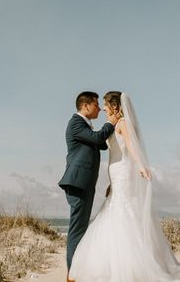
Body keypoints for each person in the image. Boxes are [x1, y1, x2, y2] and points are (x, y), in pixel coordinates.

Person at [68, 91, 180, 282]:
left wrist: (141, 166)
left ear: (115, 107)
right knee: (114, 212)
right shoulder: (112, 125)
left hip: (122, 173)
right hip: (116, 176)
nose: (103, 108)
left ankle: (127, 267)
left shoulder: (122, 123)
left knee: (122, 214)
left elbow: (131, 147)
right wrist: (110, 183)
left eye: (105, 104)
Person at [58, 91, 118, 281]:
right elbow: (99, 138)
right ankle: (72, 275)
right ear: (85, 106)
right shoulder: (76, 123)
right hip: (77, 183)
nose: (100, 108)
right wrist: (111, 123)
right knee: (77, 230)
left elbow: (100, 143)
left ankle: (77, 271)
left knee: (81, 229)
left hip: (84, 184)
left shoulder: (86, 127)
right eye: (96, 105)